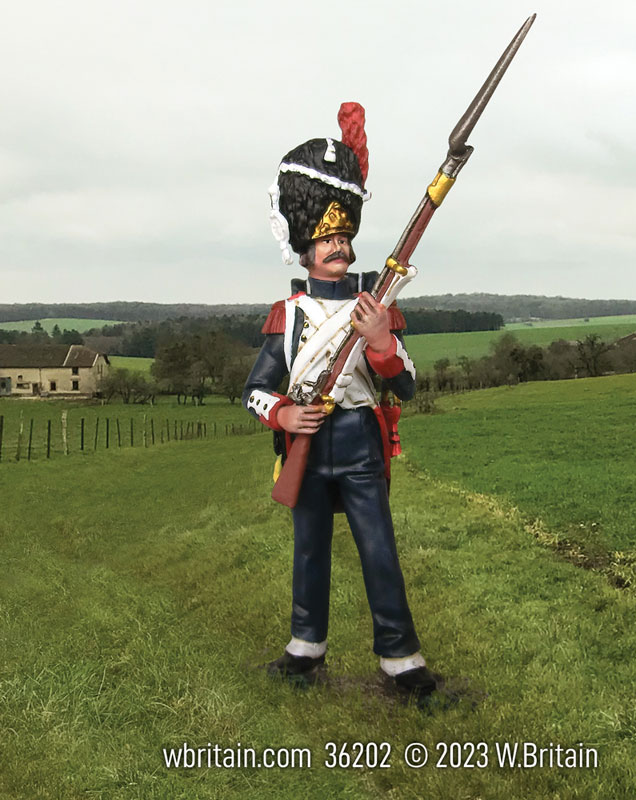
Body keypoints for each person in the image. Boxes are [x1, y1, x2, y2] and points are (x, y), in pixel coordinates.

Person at [242, 103, 436, 696]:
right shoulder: (288, 315)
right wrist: (282, 412)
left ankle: (401, 660)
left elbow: (405, 381)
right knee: (309, 552)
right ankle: (305, 648)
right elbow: (253, 390)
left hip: (357, 442)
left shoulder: (377, 304)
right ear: (303, 246)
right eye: (325, 237)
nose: (337, 245)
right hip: (307, 439)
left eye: (343, 235)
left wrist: (380, 341)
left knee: (379, 549)